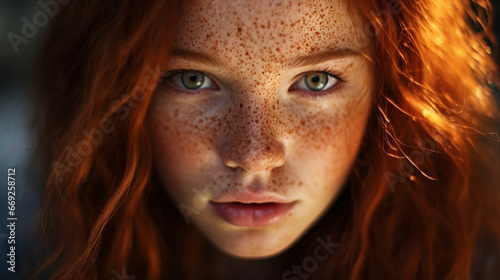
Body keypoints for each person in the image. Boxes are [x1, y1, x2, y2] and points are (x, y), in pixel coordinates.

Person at [31, 0, 500, 279]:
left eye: (316, 81)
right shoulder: (31, 251)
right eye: (193, 80)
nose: (254, 156)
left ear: (393, 91)